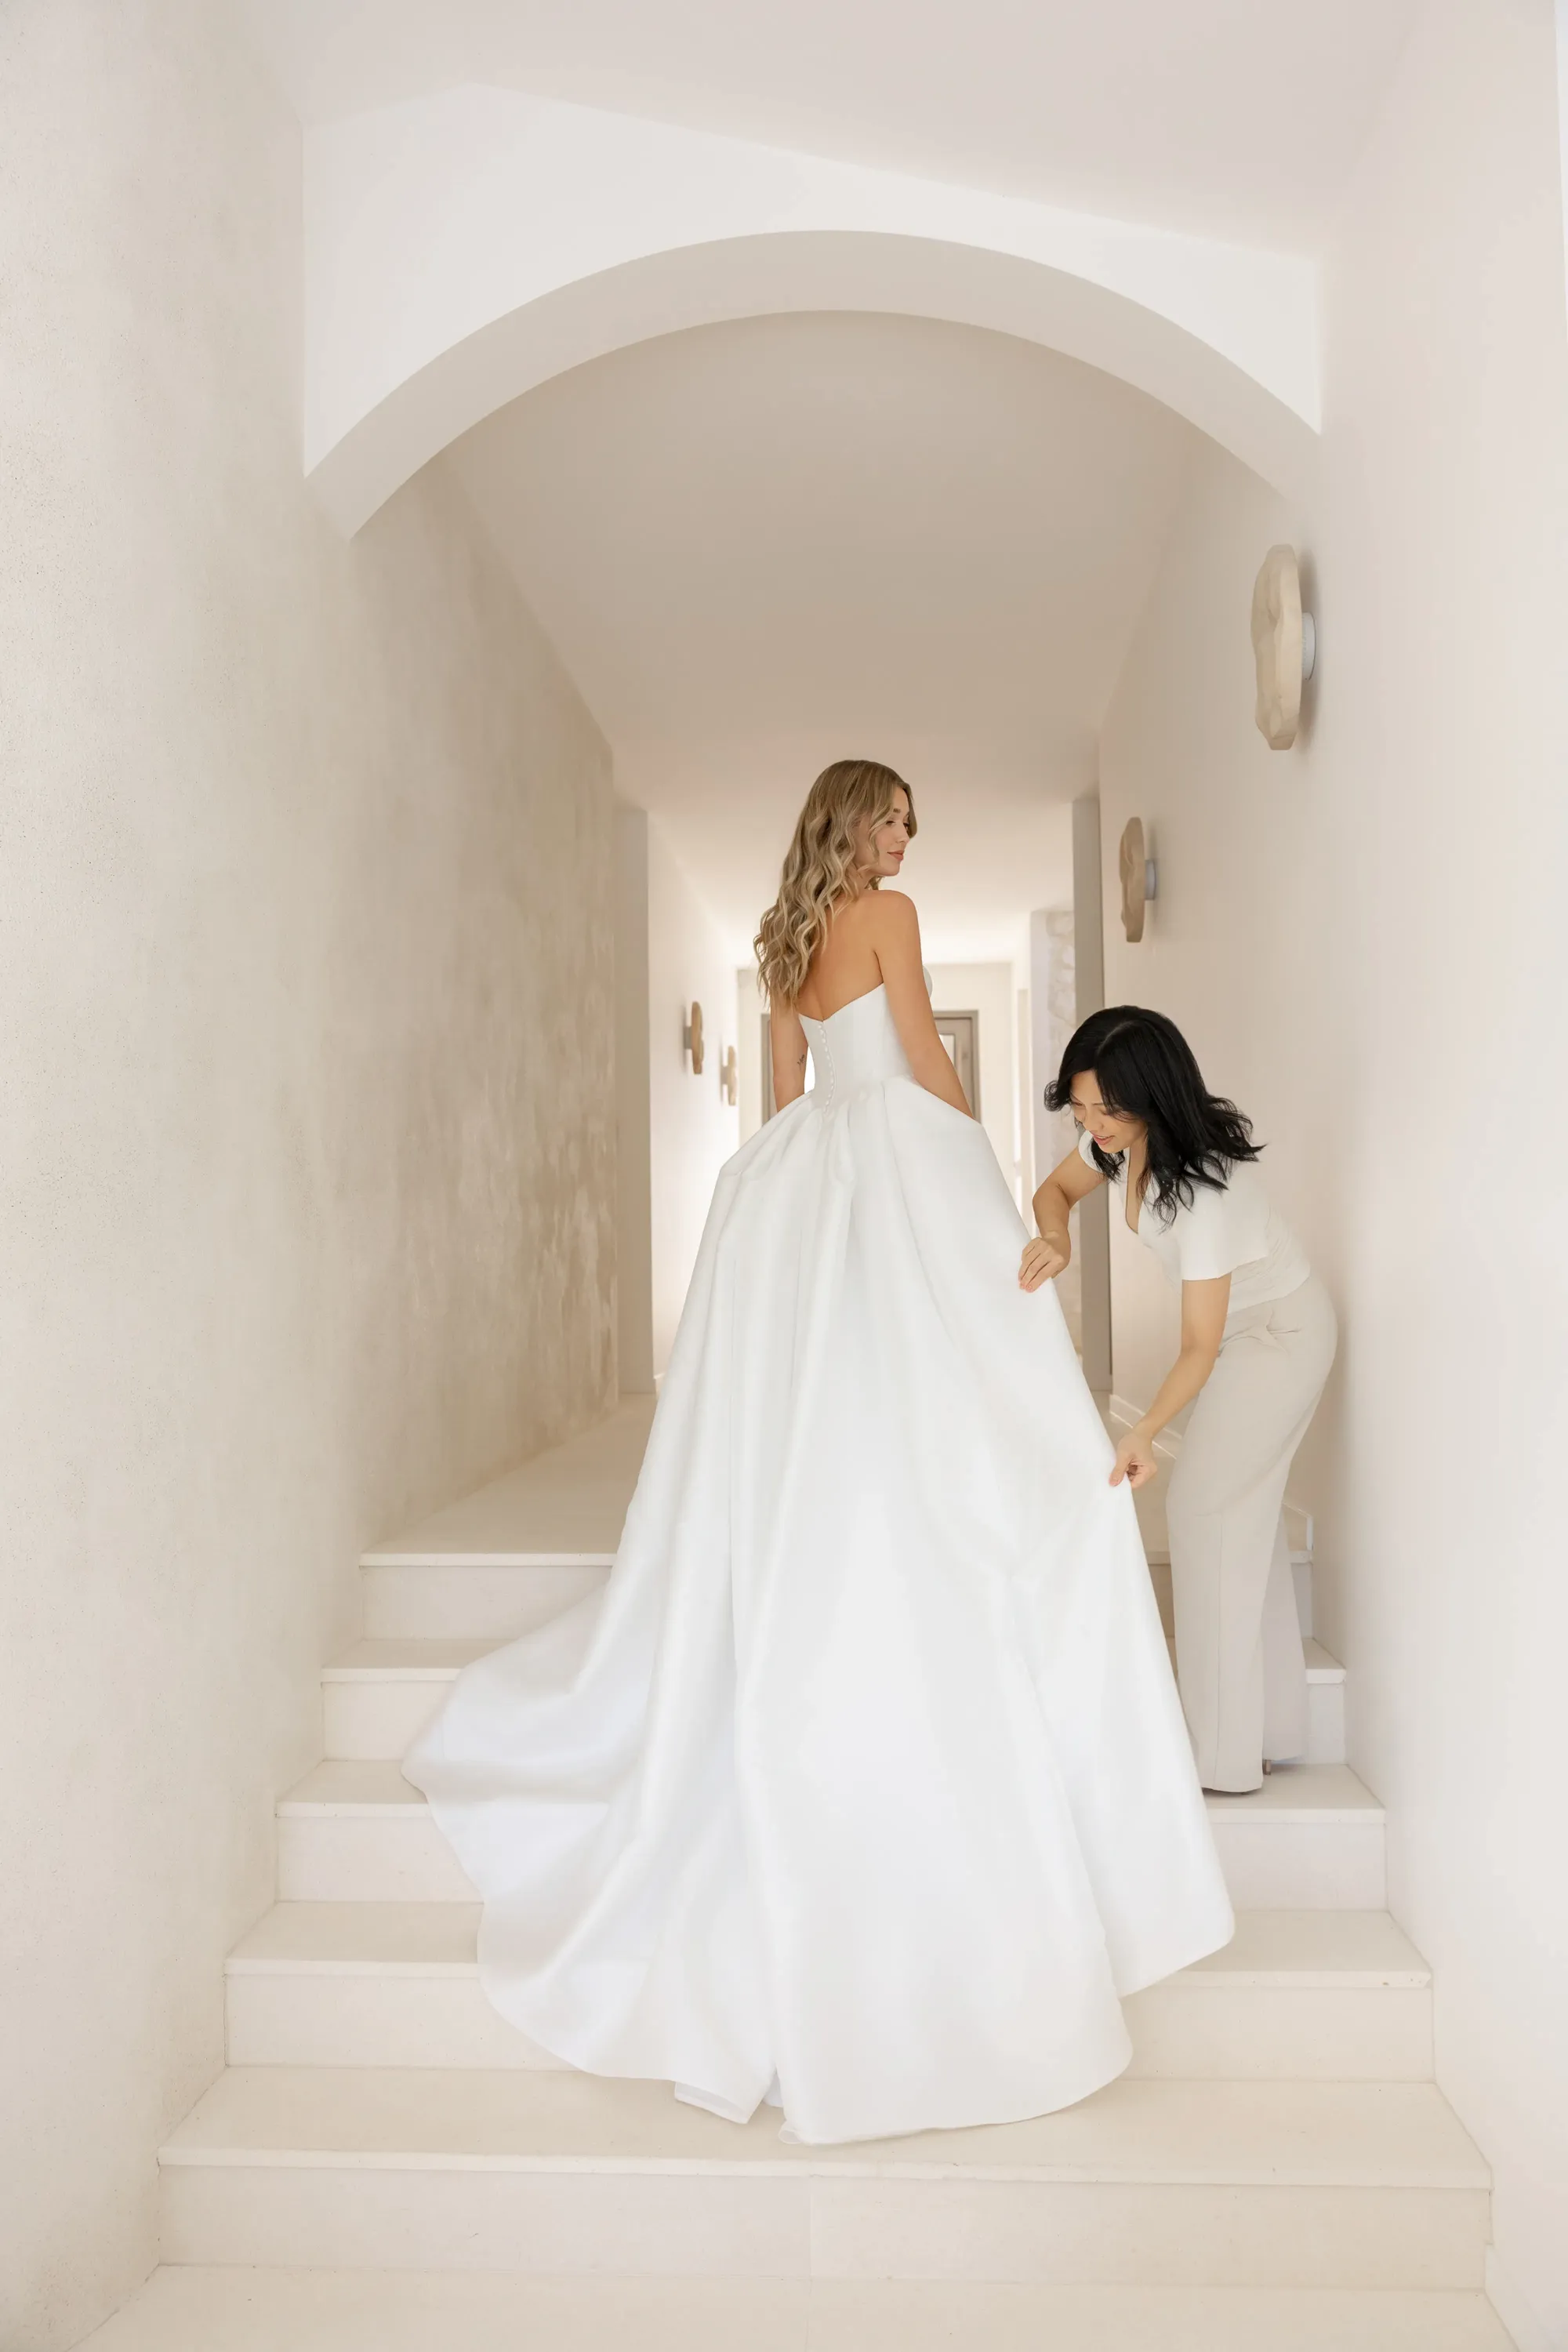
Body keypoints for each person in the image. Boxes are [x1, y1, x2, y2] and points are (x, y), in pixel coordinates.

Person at [405, 761, 1232, 2146]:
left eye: (912, 824)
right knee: (947, 1364)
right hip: (897, 1160)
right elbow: (925, 1059)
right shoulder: (890, 920)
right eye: (891, 818)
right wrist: (980, 1176)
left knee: (820, 1382)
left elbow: (788, 1102)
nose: (904, 839)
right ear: (850, 823)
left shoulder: (781, 943)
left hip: (806, 1184)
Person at [1021, 1006, 1337, 1795]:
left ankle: (1215, 1758)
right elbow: (1051, 1192)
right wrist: (1056, 1237)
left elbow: (1197, 1345)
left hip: (1279, 1336)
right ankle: (1266, 1731)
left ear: (1152, 1096)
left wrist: (1145, 1434)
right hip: (1239, 1338)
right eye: (1080, 1107)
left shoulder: (1205, 1191)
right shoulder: (1117, 1146)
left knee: (1202, 1511)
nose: (1091, 1124)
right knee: (1240, 1520)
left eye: (1106, 1108)